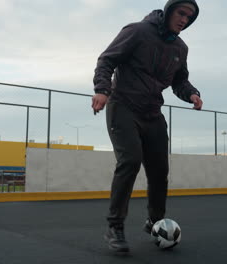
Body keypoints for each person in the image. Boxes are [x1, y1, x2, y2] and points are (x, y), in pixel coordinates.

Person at [91, 0, 202, 252]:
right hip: (123, 106)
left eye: (189, 17)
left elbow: (180, 80)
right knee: (129, 161)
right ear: (169, 10)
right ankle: (114, 227)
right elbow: (106, 60)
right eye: (181, 13)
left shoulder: (180, 48)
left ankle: (155, 221)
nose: (184, 19)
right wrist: (101, 90)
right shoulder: (137, 31)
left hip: (153, 113)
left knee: (159, 170)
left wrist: (192, 94)